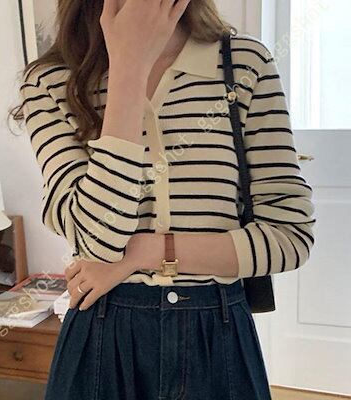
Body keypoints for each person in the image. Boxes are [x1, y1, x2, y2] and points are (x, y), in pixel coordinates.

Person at [16, 0, 316, 399]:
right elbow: (96, 241)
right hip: (103, 335)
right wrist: (128, 66)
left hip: (217, 335)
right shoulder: (51, 82)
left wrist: (145, 253)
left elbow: (290, 237)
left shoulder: (244, 64)